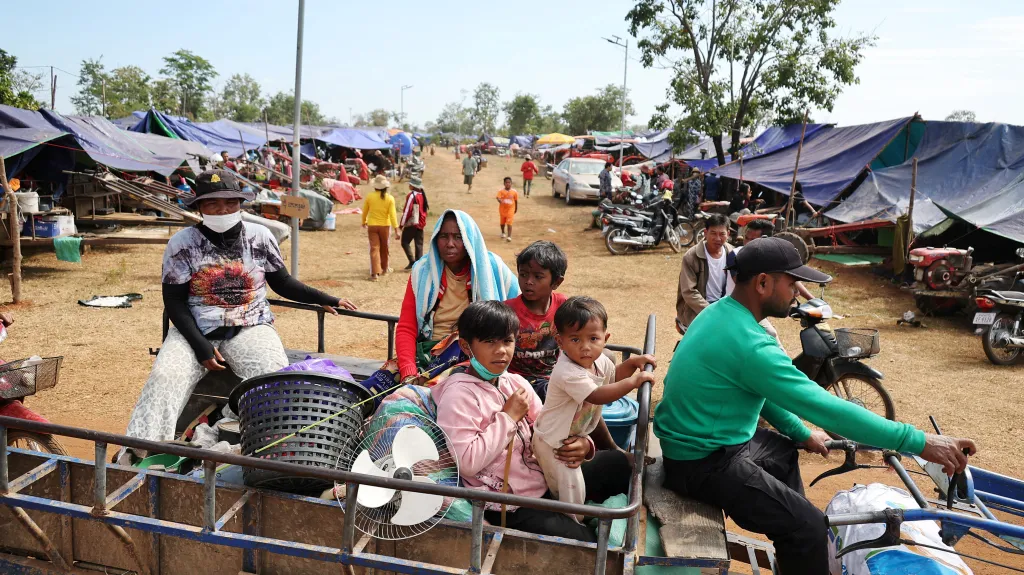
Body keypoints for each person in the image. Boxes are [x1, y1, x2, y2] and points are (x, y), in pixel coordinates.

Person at [655, 237, 977, 574]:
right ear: (763, 282)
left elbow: (760, 392)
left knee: (781, 452)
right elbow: (827, 408)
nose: (796, 291)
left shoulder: (722, 313)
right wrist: (919, 442)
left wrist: (800, 432)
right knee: (808, 527)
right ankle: (799, 538)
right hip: (702, 463)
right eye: (792, 282)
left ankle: (794, 549)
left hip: (702, 445)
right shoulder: (749, 343)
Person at [120, 170, 357, 462]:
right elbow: (174, 303)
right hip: (193, 329)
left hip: (250, 326)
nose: (223, 210)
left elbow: (282, 283)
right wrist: (201, 346)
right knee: (164, 376)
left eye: (230, 202)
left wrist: (326, 299)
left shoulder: (260, 236)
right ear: (199, 208)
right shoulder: (182, 244)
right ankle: (140, 451)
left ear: (240, 204)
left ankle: (262, 448)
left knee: (274, 380)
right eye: (213, 204)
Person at [431, 301, 632, 542]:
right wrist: (508, 418)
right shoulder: (458, 395)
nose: (501, 351)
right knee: (583, 541)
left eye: (507, 341)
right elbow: (467, 463)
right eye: (489, 342)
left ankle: (578, 512)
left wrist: (583, 446)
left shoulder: (514, 382)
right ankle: (581, 523)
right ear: (466, 346)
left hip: (545, 475)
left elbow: (549, 428)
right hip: (508, 504)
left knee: (619, 464)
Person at [532, 297, 656, 516]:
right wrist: (634, 381)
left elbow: (611, 380)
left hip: (571, 437)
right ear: (560, 342)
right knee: (569, 488)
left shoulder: (600, 362)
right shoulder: (567, 371)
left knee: (574, 485)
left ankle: (573, 514)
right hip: (552, 442)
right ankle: (572, 522)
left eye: (593, 338)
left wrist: (630, 365)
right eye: (575, 340)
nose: (585, 347)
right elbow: (598, 395)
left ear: (605, 338)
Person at [395, 210, 519, 382]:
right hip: (426, 353)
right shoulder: (422, 271)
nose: (450, 244)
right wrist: (408, 369)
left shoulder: (493, 268)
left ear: (470, 240)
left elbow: (518, 315)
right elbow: (406, 327)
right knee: (378, 383)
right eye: (444, 236)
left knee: (434, 386)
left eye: (458, 237)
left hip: (471, 357)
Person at [723, 219, 812, 350]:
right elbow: (745, 284)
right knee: (769, 336)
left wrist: (812, 299)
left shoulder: (768, 259)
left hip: (753, 310)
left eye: (753, 240)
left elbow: (790, 278)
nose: (748, 243)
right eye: (746, 238)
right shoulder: (737, 256)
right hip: (739, 309)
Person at [505, 241, 567, 399]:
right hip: (517, 380)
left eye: (538, 276)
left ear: (556, 282)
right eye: (523, 274)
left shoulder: (563, 307)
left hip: (554, 376)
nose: (528, 281)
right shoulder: (507, 311)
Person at [676, 213, 733, 335]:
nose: (718, 238)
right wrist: (712, 311)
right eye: (713, 233)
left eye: (722, 234)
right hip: (698, 308)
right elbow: (689, 292)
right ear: (705, 233)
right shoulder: (691, 256)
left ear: (728, 234)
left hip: (724, 306)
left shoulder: (732, 253)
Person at [362, 175, 400, 282]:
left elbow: (365, 211)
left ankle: (374, 274)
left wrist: (363, 221)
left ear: (375, 187)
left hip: (372, 225)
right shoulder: (390, 198)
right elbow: (392, 215)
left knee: (374, 248)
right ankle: (384, 269)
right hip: (385, 226)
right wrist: (396, 230)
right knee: (385, 247)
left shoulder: (370, 196)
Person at [400, 176, 429, 270]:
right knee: (419, 244)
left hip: (413, 223)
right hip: (421, 223)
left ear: (413, 186)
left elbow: (407, 211)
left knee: (405, 242)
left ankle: (412, 261)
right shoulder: (422, 195)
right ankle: (419, 265)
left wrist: (401, 224)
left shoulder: (412, 195)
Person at [496, 177, 519, 242]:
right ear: (504, 183)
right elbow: (498, 197)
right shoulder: (501, 191)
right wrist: (499, 200)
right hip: (502, 210)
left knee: (509, 222)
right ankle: (503, 232)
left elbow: (516, 200)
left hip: (511, 209)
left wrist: (516, 208)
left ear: (511, 183)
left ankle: (509, 236)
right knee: (502, 222)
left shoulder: (514, 192)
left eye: (509, 182)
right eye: (506, 182)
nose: (508, 184)